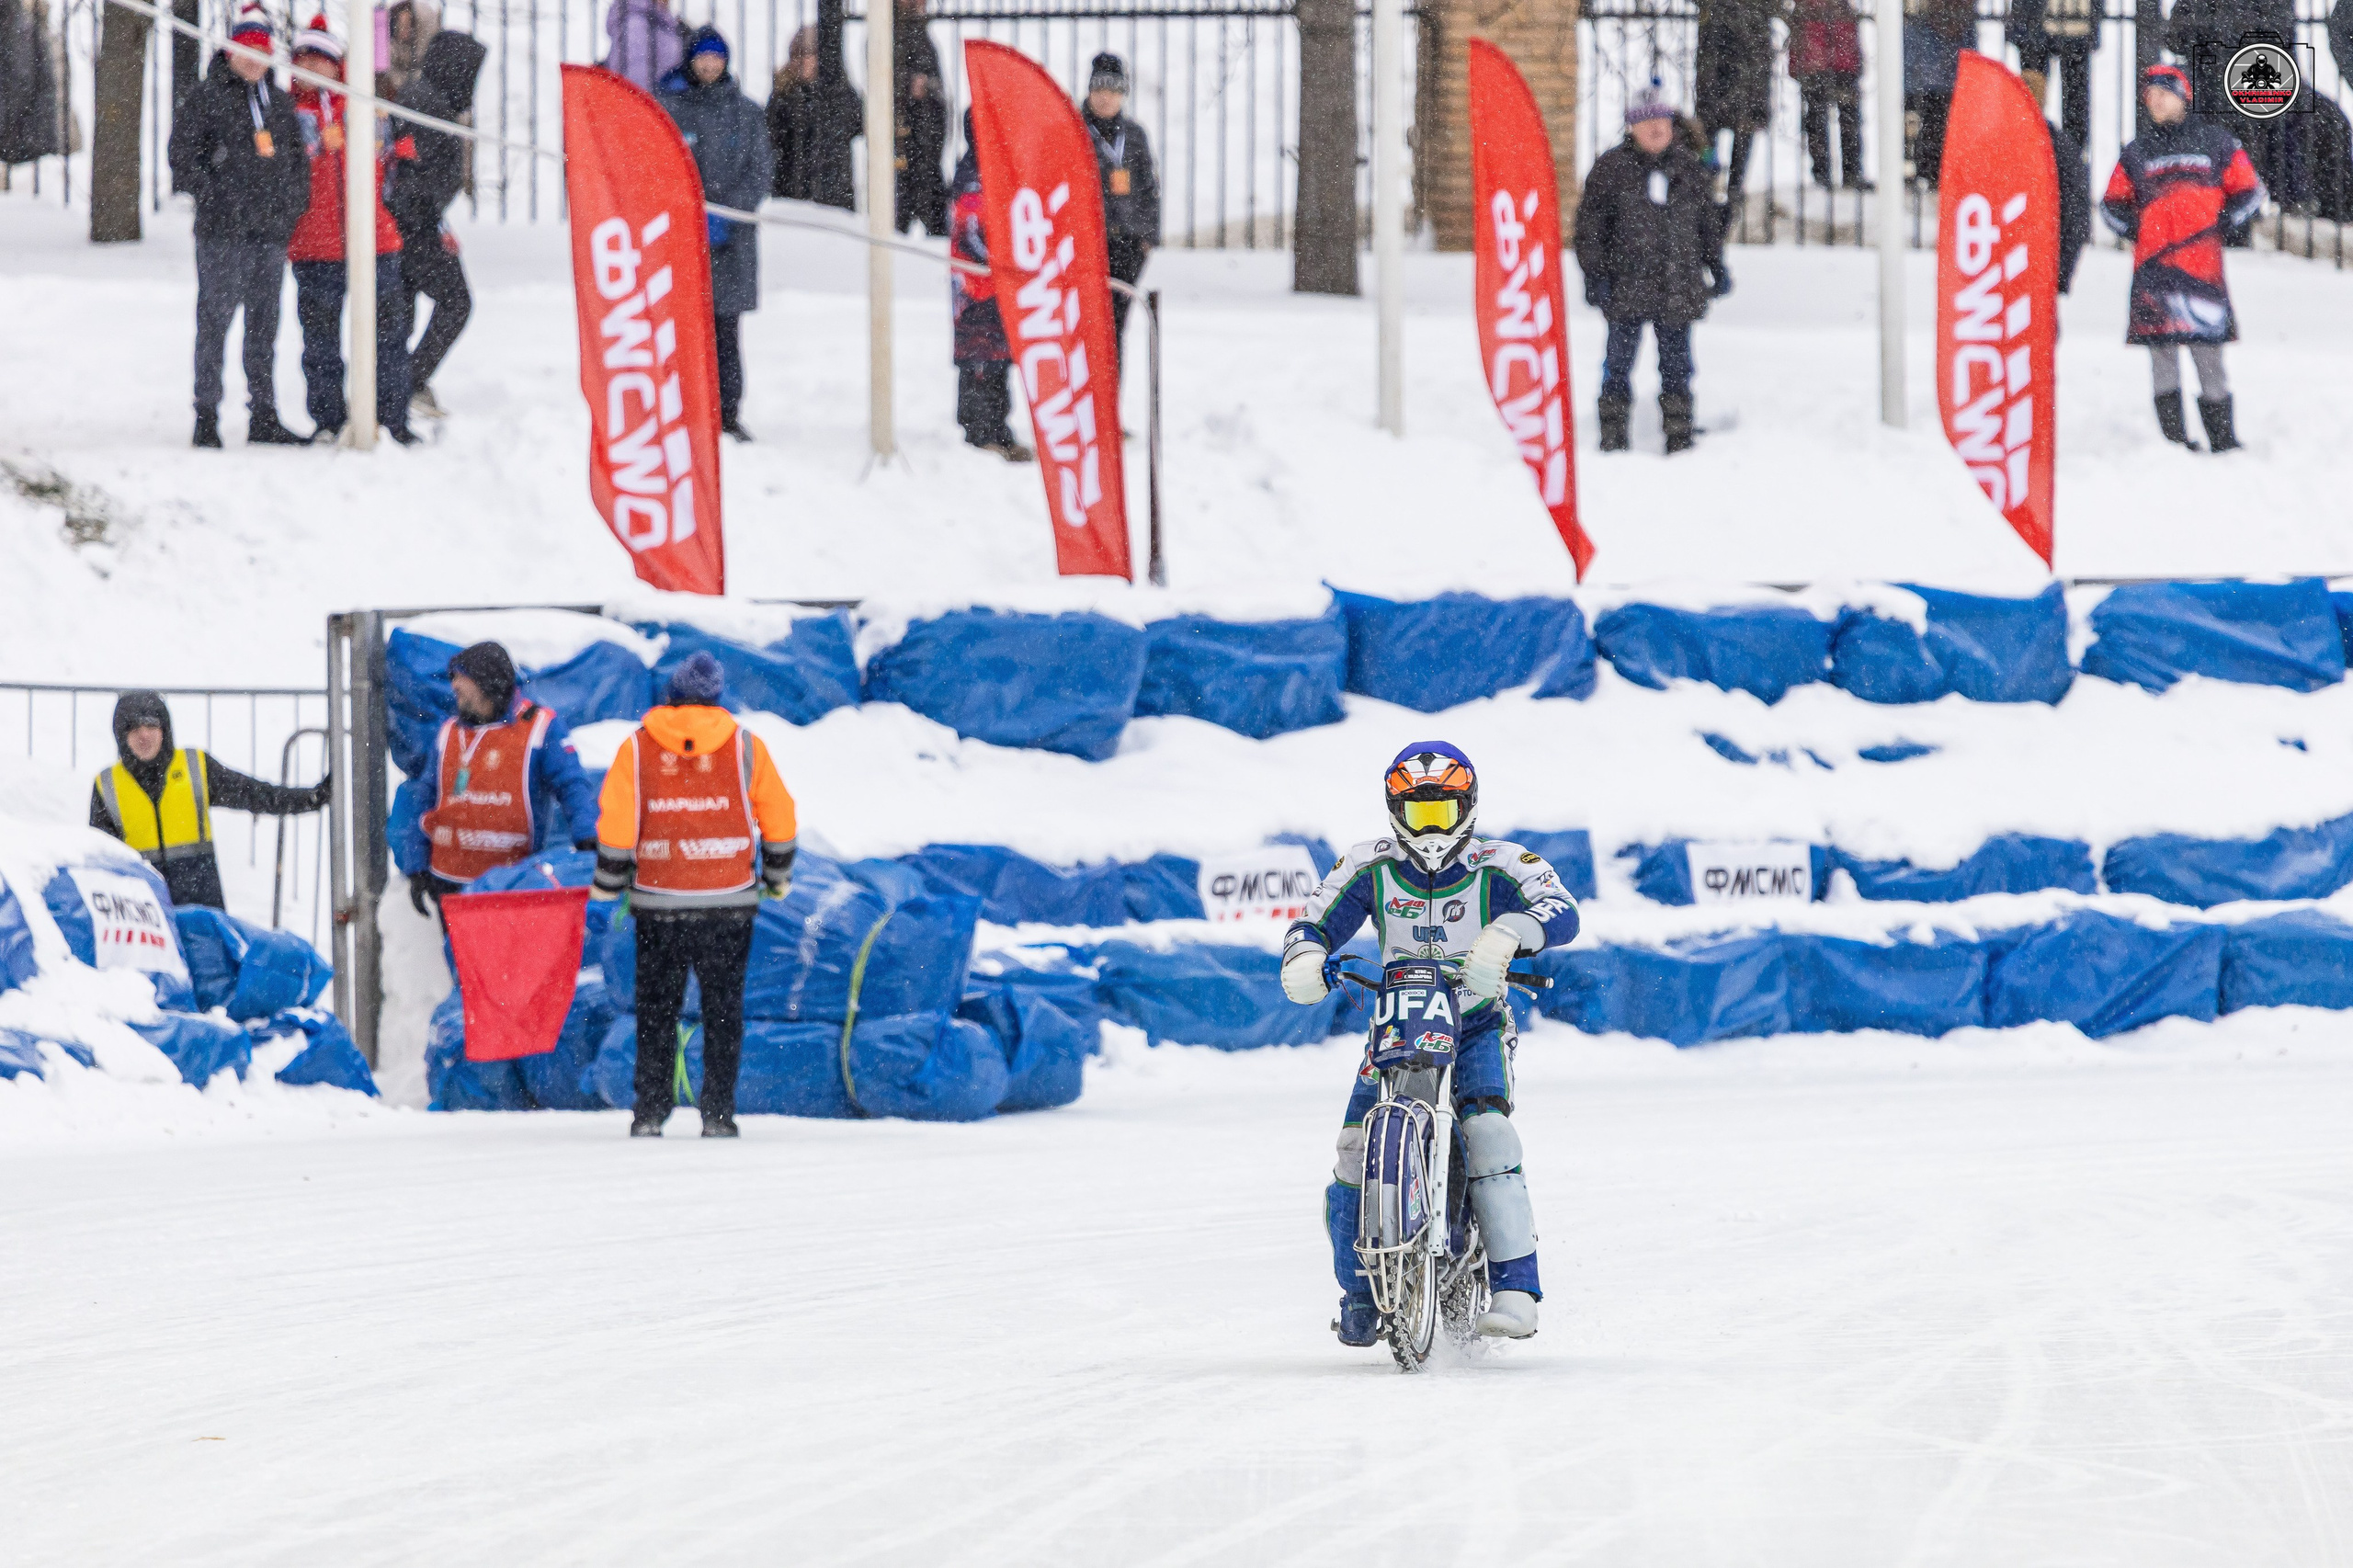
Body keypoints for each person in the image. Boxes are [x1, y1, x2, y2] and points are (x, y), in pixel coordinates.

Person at [1278, 744, 1581, 1347]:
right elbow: (1312, 922)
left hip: (1476, 1021)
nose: (1432, 828)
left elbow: (1562, 910)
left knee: (1489, 1132)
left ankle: (1516, 1290)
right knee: (1352, 1149)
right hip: (1398, 1021)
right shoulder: (1367, 864)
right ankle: (1358, 1295)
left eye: (1443, 811)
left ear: (1468, 807)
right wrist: (1305, 956)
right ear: (1396, 812)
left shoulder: (1502, 861)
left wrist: (1511, 931)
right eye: (1419, 814)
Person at [592, 653, 798, 1140]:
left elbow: (617, 824)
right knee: (723, 1009)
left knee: (656, 1009)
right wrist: (777, 876)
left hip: (658, 901)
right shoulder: (745, 746)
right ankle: (718, 1113)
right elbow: (780, 818)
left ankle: (650, 1111)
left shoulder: (637, 747)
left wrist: (609, 883)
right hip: (728, 902)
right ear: (716, 698)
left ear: (671, 695)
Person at [165, 5, 312, 450]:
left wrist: (288, 211)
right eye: (246, 49)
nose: (253, 59)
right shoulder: (205, 98)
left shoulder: (280, 105)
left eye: (261, 50)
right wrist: (217, 196)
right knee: (215, 323)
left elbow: (298, 167)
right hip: (222, 235)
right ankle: (206, 414)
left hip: (269, 236)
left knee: (264, 326)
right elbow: (182, 159)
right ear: (230, 51)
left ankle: (263, 414)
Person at [2102, 62, 2264, 452]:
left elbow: (2251, 191)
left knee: (2208, 355)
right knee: (2162, 357)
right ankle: (2173, 445)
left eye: (2163, 93)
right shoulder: (2136, 151)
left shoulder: (2217, 143)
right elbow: (2110, 205)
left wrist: (2225, 222)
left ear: (2183, 96)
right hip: (2153, 272)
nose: (2155, 101)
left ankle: (2223, 441)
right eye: (2149, 95)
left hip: (2202, 271)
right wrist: (2139, 231)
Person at [395, 642, 602, 918]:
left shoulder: (539, 726)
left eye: (461, 678)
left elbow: (572, 785)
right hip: (449, 881)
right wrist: (416, 867)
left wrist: (587, 837)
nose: (454, 686)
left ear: (486, 682)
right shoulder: (448, 732)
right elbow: (423, 797)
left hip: (513, 884)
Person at [1573, 92, 1727, 457]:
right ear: (1632, 127)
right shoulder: (1611, 170)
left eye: (1661, 120)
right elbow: (1590, 229)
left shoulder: (1689, 168)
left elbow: (1707, 224)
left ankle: (1679, 433)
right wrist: (1595, 276)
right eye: (1646, 121)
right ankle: (1613, 435)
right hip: (1625, 285)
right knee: (1618, 363)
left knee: (1677, 365)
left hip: (1677, 285)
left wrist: (1716, 266)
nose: (1655, 128)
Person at [286, 16, 415, 446]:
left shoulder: (365, 107)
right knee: (320, 342)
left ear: (337, 64)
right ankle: (328, 420)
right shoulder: (287, 114)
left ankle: (392, 419)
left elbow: (395, 168)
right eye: (304, 58)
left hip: (377, 242)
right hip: (315, 247)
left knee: (389, 337)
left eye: (320, 59)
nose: (312, 66)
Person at [90, 692, 330, 912]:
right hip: (142, 916)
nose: (143, 735)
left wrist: (310, 799)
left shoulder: (195, 767)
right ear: (121, 736)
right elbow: (97, 861)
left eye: (151, 725)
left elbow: (255, 794)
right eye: (133, 728)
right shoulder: (108, 785)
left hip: (202, 910)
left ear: (164, 729)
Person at [659, 27, 771, 442]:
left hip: (731, 248)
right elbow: (656, 170)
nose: (709, 64)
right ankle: (683, 410)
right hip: (681, 243)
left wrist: (729, 216)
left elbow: (760, 173)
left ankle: (726, 414)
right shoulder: (670, 109)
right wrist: (684, 216)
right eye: (703, 56)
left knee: (725, 332)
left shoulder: (746, 113)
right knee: (683, 332)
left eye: (716, 56)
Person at [388, 29, 486, 419]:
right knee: (456, 302)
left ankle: (397, 382)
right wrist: (427, 222)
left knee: (402, 311)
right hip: (414, 226)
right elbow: (411, 174)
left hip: (415, 223)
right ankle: (406, 382)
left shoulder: (428, 99)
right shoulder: (425, 104)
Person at [949, 110, 1031, 462]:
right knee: (977, 360)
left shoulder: (1006, 169)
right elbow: (968, 231)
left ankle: (999, 429)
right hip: (975, 288)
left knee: (1000, 359)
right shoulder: (970, 174)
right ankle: (978, 432)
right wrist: (997, 258)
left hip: (1002, 286)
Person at [1082, 52, 1160, 367]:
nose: (1106, 97)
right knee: (1087, 325)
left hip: (1127, 244)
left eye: (1114, 90)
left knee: (1115, 327)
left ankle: (1110, 395)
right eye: (1100, 89)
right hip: (1087, 244)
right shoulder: (1074, 130)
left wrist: (1147, 238)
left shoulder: (1135, 135)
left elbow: (1149, 188)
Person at [1692, 0, 1774, 218]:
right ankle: (1706, 187)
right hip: (1716, 48)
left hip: (1750, 50)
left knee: (1744, 125)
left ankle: (1734, 191)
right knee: (1708, 127)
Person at [767, 23, 859, 211]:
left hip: (834, 195)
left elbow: (857, 125)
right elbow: (772, 139)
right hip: (791, 193)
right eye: (796, 55)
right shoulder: (782, 95)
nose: (801, 62)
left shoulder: (840, 92)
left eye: (808, 54)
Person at [2025, 69, 2095, 296]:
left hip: (2029, 268)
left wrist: (2060, 273)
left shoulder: (2057, 148)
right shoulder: (2059, 147)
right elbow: (2077, 214)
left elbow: (2076, 214)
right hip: (2034, 266)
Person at [1789, 0, 1868, 191]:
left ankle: (1844, 172)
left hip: (1834, 64)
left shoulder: (1833, 7)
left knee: (1844, 120)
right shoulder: (1815, 7)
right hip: (1820, 65)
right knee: (1822, 121)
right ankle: (1831, 173)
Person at [2004, 0, 2097, 152]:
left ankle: (2070, 152)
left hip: (2072, 16)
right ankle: (2034, 148)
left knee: (2073, 94)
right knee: (2034, 93)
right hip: (2045, 17)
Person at [1904, 0, 1976, 182]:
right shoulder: (1920, 30)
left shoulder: (1964, 31)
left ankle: (1940, 171)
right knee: (1930, 125)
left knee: (1945, 127)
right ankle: (1929, 170)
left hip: (1949, 85)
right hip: (1928, 86)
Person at [892, 0, 947, 235]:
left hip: (927, 141)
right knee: (899, 213)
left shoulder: (920, 34)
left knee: (932, 208)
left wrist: (928, 86)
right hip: (905, 139)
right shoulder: (892, 33)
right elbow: (883, 79)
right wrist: (908, 84)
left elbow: (936, 85)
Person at [604, 0, 684, 93]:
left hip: (663, 95)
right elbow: (636, 76)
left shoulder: (657, 18)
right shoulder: (636, 24)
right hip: (651, 97)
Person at [380, 0, 439, 100]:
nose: (402, 30)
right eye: (399, 25)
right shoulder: (390, 47)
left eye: (408, 26)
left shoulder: (431, 58)